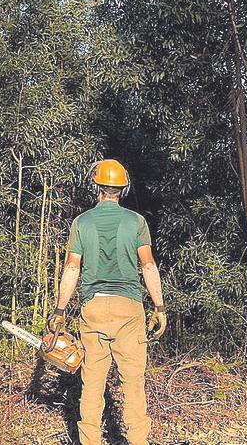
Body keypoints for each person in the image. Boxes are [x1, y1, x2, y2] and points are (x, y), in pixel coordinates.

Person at [48, 159, 167, 445]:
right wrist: (159, 307)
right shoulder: (136, 222)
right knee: (133, 385)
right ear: (122, 189)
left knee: (92, 387)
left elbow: (72, 268)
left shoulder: (82, 222)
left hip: (94, 309)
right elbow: (148, 266)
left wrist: (60, 309)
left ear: (97, 186)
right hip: (129, 309)